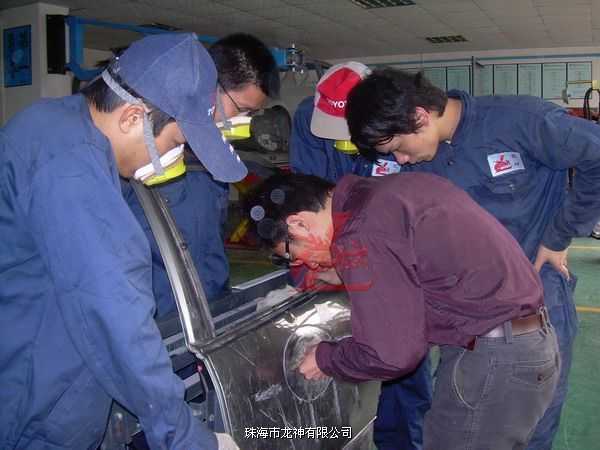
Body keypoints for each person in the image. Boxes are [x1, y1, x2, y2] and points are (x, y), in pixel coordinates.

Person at [0, 33, 243, 449]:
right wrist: (188, 439)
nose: (174, 158)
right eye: (175, 143)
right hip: (31, 414)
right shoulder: (72, 170)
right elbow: (116, 314)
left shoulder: (55, 126)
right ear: (132, 118)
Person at [345, 68, 600, 449]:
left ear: (420, 116)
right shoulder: (420, 161)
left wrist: (559, 233)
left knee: (533, 428)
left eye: (398, 147)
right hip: (462, 320)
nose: (400, 159)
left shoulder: (520, 121)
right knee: (459, 420)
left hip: (537, 304)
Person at [246, 172, 559, 450]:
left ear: (299, 223)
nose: (304, 263)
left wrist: (325, 359)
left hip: (494, 362)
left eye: (293, 253)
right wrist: (346, 273)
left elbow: (391, 354)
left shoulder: (359, 233)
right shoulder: (388, 195)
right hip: (523, 348)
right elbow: (419, 265)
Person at [289, 62, 428, 450]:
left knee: (401, 368)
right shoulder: (309, 119)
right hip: (330, 264)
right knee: (330, 376)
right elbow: (306, 197)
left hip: (390, 270)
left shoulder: (394, 123)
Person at [122, 33, 280, 317]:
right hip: (161, 317)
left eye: (251, 114)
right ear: (209, 86)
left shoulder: (212, 163)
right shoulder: (144, 156)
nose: (242, 122)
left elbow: (208, 244)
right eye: (242, 110)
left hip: (206, 309)